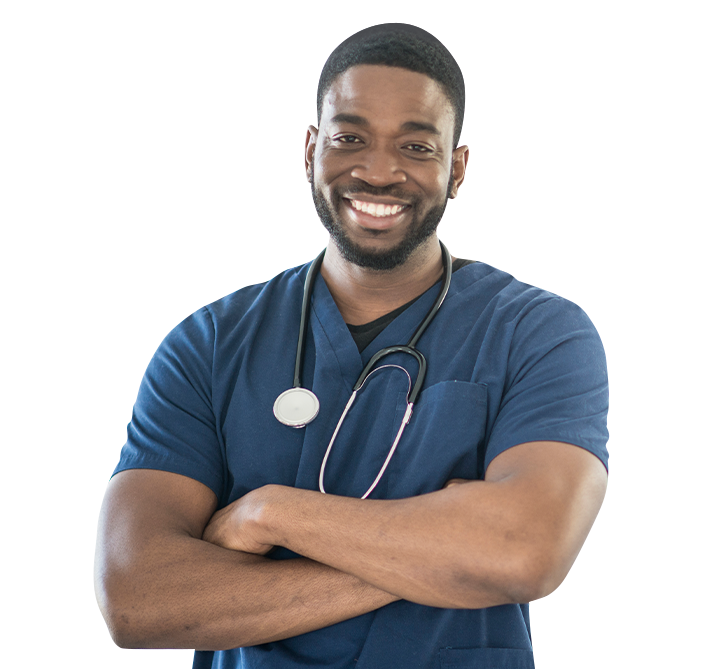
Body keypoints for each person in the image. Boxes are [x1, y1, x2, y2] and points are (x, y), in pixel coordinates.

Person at [94, 23, 610, 669]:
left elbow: (523, 553)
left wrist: (268, 514)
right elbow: (138, 601)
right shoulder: (207, 343)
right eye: (350, 137)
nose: (379, 170)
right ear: (311, 149)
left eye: (417, 145)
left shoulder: (537, 333)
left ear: (457, 168)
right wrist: (450, 555)